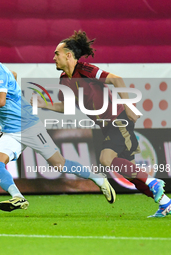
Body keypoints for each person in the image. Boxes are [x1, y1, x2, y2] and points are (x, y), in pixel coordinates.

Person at [0, 36, 116, 212]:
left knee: (59, 164)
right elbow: (13, 76)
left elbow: (0, 101)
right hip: (11, 131)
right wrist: (12, 84)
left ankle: (98, 178)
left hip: (28, 127)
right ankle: (18, 198)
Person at [33, 30, 170, 218]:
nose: (53, 57)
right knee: (133, 176)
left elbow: (116, 79)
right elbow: (66, 106)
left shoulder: (85, 70)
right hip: (107, 127)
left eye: (57, 54)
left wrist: (129, 106)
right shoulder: (65, 81)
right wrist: (43, 105)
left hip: (118, 120)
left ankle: (153, 182)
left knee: (106, 159)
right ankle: (165, 203)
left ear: (69, 55)